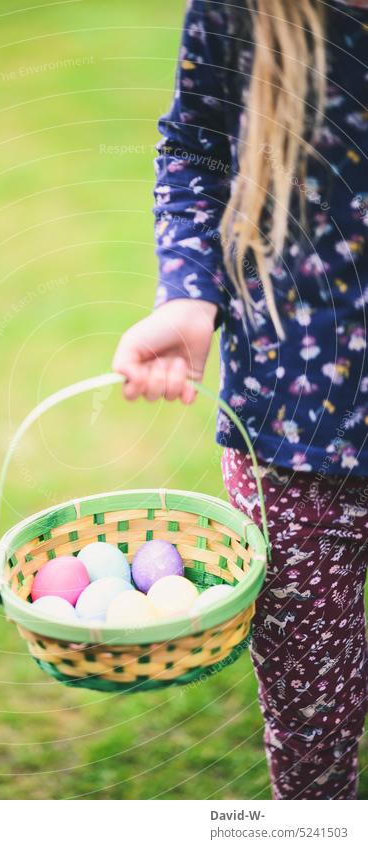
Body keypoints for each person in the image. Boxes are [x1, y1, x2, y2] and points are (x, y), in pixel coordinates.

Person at [113, 0, 368, 799]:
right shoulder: (240, 10)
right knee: (313, 722)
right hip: (293, 442)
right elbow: (194, 146)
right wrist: (188, 293)